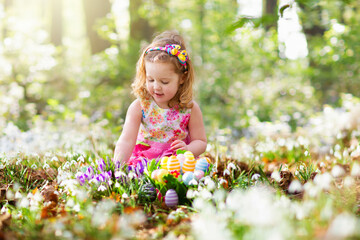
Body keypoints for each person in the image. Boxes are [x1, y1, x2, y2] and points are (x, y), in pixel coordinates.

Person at [113, 30, 207, 167]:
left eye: (164, 82)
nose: (156, 87)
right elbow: (126, 141)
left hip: (174, 165)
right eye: (150, 80)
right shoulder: (139, 106)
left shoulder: (189, 108)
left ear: (182, 78)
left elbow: (201, 142)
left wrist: (187, 150)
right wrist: (117, 168)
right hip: (144, 164)